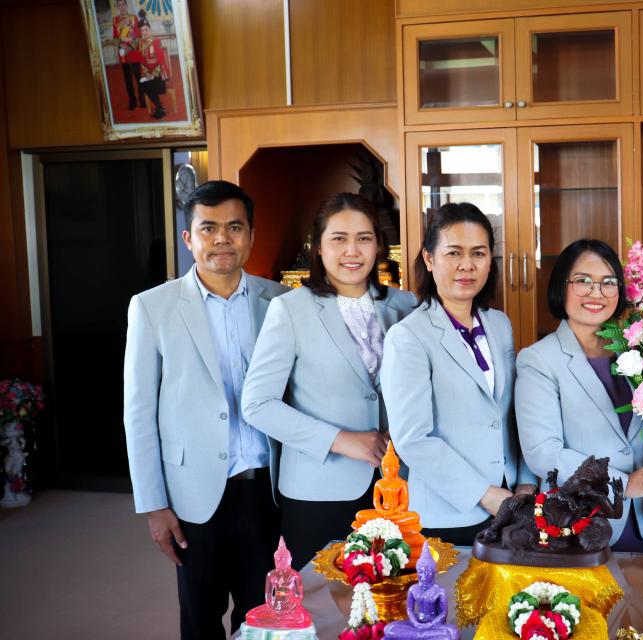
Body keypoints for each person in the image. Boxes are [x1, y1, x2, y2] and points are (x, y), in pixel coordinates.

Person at [123, 180, 288, 639]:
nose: (221, 239)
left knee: (265, 617)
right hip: (192, 493)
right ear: (188, 238)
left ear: (251, 235)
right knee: (200, 618)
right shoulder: (152, 307)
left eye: (234, 227)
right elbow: (138, 413)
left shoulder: (281, 301)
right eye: (208, 228)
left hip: (267, 488)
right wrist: (154, 505)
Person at [242, 193, 417, 569]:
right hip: (318, 488)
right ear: (318, 247)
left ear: (378, 245)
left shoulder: (406, 306)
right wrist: (341, 440)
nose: (352, 250)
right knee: (325, 597)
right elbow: (257, 404)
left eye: (364, 238)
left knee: (394, 593)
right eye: (339, 238)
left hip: (397, 485)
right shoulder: (289, 309)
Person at [381, 202, 536, 546]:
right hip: (448, 512)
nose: (467, 265)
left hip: (510, 500)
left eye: (478, 253)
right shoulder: (408, 336)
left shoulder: (499, 324)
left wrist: (525, 481)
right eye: (454, 253)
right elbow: (413, 439)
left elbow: (512, 412)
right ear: (429, 259)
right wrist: (485, 494)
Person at [516, 239, 643, 552]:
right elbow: (543, 452)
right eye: (583, 281)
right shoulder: (539, 360)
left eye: (608, 282)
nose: (596, 293)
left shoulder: (640, 351)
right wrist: (624, 483)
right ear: (561, 287)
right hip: (579, 525)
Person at [136, 11, 170, 119]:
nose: (144, 32)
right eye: (142, 30)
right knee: (142, 84)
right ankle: (160, 107)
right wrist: (147, 73)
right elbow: (142, 62)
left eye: (146, 29)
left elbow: (161, 61)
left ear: (149, 29)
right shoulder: (140, 44)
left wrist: (153, 74)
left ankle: (159, 108)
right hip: (148, 74)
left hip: (159, 73)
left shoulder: (156, 41)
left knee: (149, 85)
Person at [112, 0, 145, 110]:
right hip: (123, 55)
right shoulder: (115, 20)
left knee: (138, 77)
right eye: (119, 5)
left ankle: (142, 99)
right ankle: (132, 101)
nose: (121, 7)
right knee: (128, 79)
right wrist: (121, 44)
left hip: (134, 52)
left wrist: (129, 47)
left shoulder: (133, 18)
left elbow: (138, 36)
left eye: (123, 4)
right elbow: (115, 38)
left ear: (126, 5)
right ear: (117, 7)